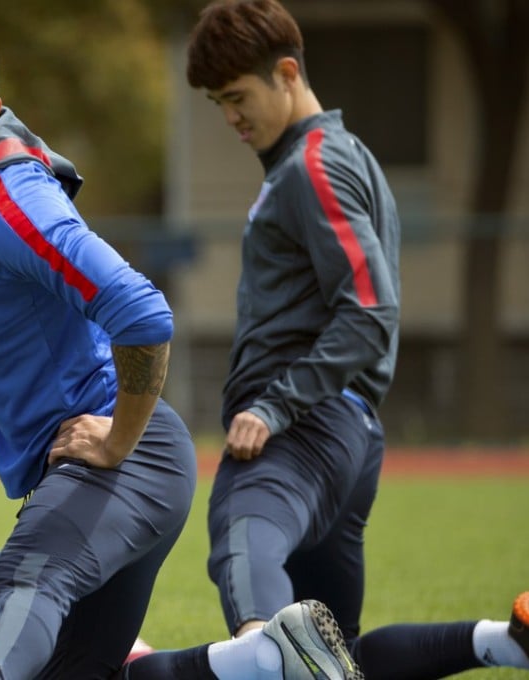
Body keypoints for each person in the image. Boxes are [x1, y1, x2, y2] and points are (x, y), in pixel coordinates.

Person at [0, 19, 362, 680]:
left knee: (25, 578)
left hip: (126, 460)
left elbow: (142, 312)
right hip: (97, 469)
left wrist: (117, 441)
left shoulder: (14, 203)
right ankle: (263, 658)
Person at [121, 1, 529, 678]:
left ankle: (251, 657)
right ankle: (504, 642)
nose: (230, 118)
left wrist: (275, 405)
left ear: (286, 73)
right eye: (218, 102)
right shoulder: (334, 158)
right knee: (333, 652)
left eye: (238, 96)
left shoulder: (313, 166)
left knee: (243, 546)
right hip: (346, 434)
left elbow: (369, 310)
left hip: (303, 428)